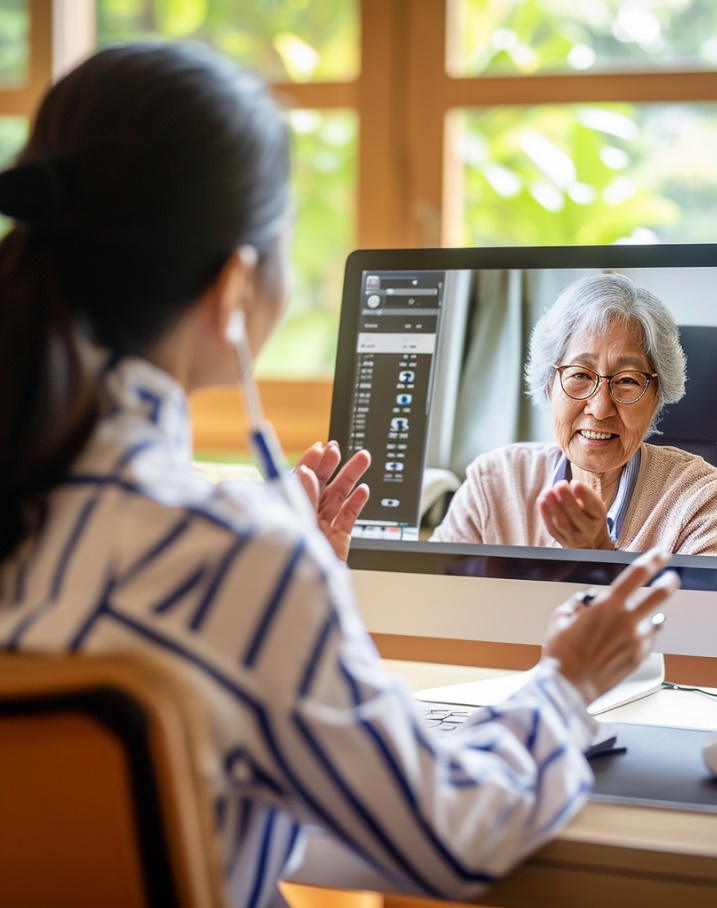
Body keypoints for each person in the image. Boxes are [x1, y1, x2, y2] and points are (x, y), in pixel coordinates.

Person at [0, 43, 680, 908]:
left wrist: (293, 571)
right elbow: (452, 835)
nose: (600, 402)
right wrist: (570, 682)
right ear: (235, 287)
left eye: (628, 381)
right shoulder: (235, 558)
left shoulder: (219, 545)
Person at [431, 273, 717, 557]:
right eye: (580, 375)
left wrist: (598, 554)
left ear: (657, 398)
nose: (599, 408)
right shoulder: (494, 482)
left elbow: (704, 622)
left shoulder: (705, 501)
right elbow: (434, 600)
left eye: (627, 381)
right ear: (549, 388)